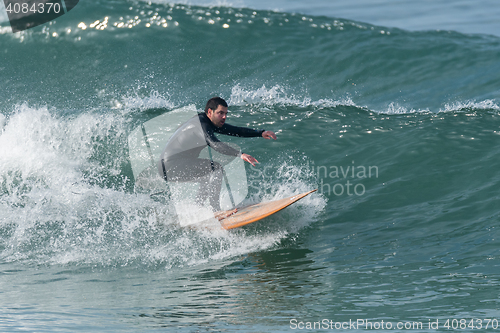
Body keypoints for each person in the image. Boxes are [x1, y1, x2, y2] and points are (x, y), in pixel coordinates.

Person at [158, 97, 276, 214]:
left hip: (166, 166)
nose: (224, 117)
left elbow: (235, 130)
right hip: (171, 165)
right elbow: (215, 144)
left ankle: (197, 209)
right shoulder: (201, 124)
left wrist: (260, 133)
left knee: (206, 176)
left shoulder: (206, 121)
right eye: (220, 113)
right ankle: (216, 211)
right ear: (210, 112)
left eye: (225, 113)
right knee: (216, 168)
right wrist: (240, 154)